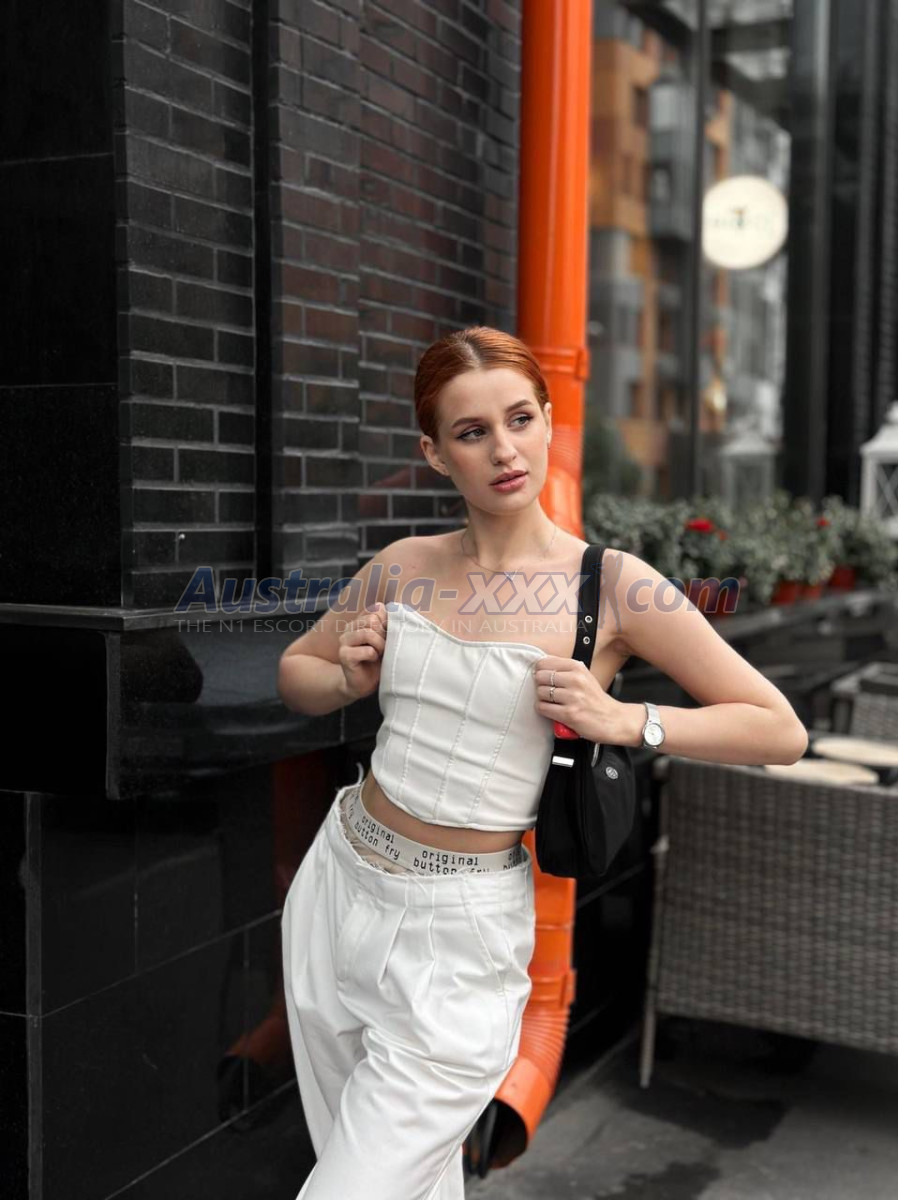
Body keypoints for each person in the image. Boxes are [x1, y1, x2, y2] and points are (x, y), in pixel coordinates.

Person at [276, 326, 808, 1199]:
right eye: (472, 431)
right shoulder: (404, 567)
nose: (504, 449)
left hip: (459, 939)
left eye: (520, 419)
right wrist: (345, 678)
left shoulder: (613, 584)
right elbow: (296, 672)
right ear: (435, 453)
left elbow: (777, 728)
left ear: (550, 420)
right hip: (338, 889)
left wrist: (624, 718)